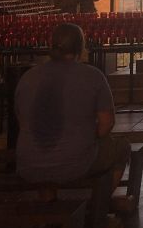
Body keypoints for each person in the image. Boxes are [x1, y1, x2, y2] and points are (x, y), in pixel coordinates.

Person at [15, 22, 129, 199]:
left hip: (28, 164)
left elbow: (22, 121)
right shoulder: (92, 76)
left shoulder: (28, 77)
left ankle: (49, 210)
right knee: (121, 148)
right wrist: (88, 138)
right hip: (74, 164)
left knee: (46, 158)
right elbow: (106, 124)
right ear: (80, 47)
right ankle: (98, 209)